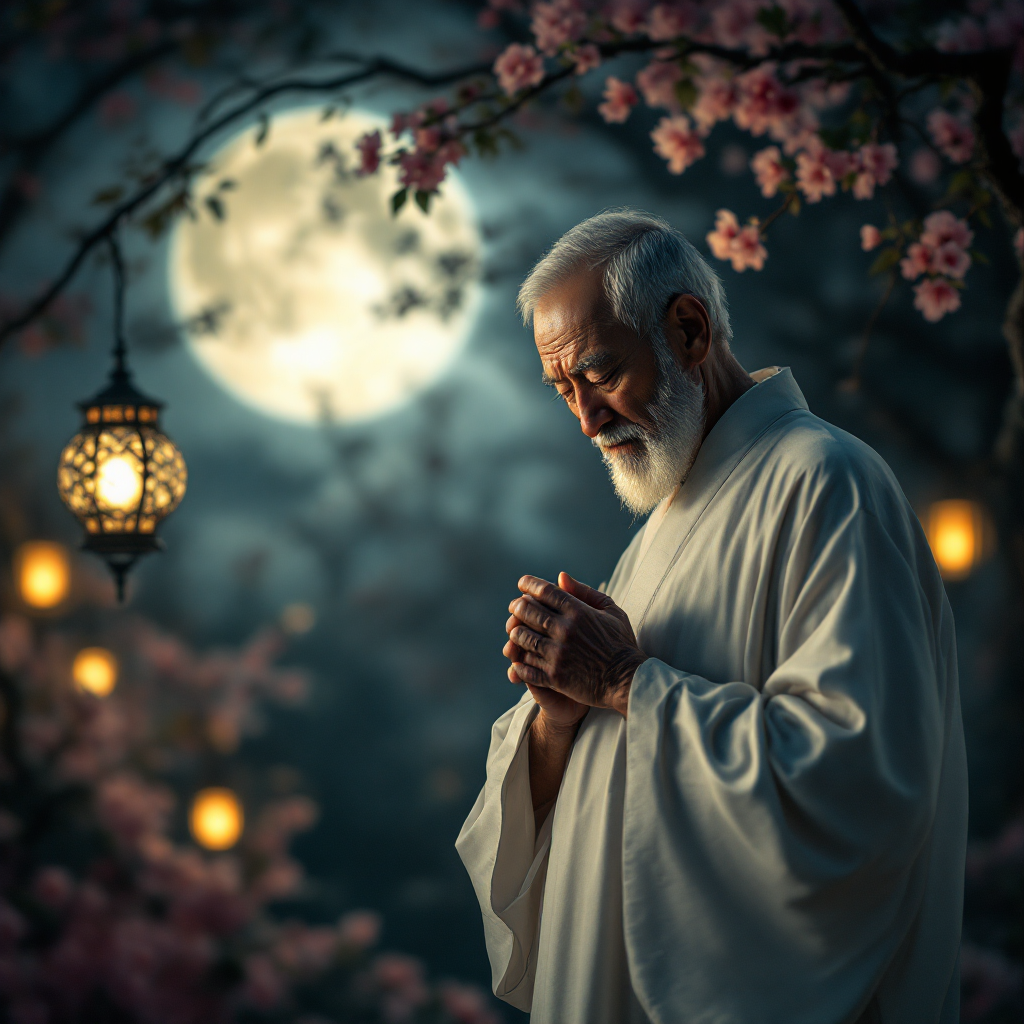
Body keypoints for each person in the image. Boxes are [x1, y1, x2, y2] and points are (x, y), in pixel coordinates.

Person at [455, 209, 967, 1024]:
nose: (587, 420)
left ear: (689, 329)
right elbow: (570, 819)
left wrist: (624, 682)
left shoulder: (826, 483)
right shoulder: (662, 527)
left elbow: (861, 784)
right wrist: (558, 721)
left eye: (600, 372)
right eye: (565, 390)